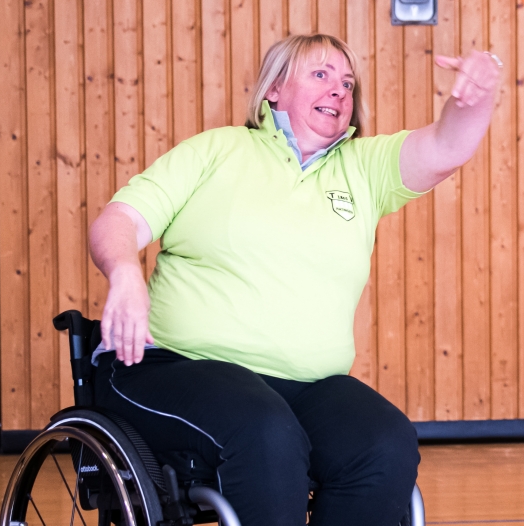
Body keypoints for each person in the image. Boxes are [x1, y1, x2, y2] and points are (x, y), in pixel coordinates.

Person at [87, 34, 501, 526]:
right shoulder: (218, 149)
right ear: (275, 89)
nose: (339, 91)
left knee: (385, 441)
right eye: (321, 75)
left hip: (305, 387)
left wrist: (480, 92)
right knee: (265, 429)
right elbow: (118, 220)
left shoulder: (362, 170)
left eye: (347, 83)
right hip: (172, 366)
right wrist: (125, 272)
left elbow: (447, 146)